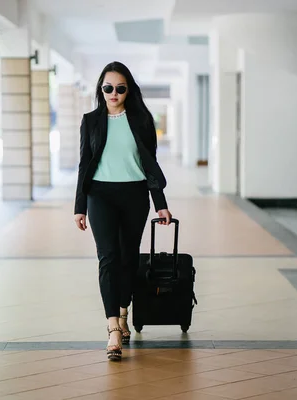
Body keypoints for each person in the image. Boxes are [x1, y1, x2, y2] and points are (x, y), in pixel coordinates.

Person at [74, 61, 172, 361]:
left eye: (119, 88)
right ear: (100, 90)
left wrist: (161, 204)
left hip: (134, 194)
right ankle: (113, 328)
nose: (113, 93)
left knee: (129, 257)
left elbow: (150, 164)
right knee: (108, 256)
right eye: (107, 88)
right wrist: (80, 207)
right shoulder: (90, 121)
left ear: (128, 90)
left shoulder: (142, 120)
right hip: (100, 194)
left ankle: (123, 311)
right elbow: (84, 164)